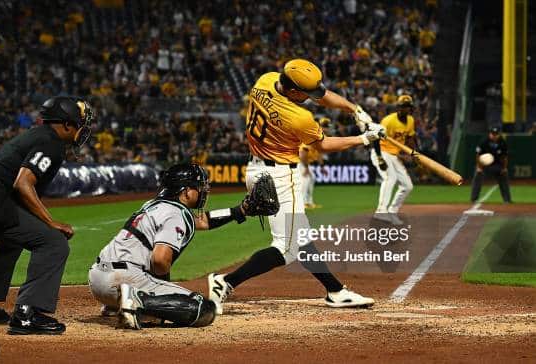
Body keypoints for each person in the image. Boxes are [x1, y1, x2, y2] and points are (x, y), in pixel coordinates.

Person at [207, 59, 385, 314]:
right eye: (306, 93)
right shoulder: (299, 118)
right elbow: (323, 146)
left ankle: (335, 290)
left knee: (301, 238)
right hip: (280, 176)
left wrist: (354, 110)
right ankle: (226, 281)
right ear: (292, 91)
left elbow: (322, 95)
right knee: (286, 247)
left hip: (256, 169)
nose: (312, 97)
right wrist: (364, 138)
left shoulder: (265, 80)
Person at [0, 96, 94, 335]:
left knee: (10, 240)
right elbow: (23, 184)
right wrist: (51, 222)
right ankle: (28, 313)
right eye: (79, 124)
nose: (82, 129)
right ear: (66, 125)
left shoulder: (38, 135)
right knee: (53, 243)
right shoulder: (52, 142)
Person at [88, 163, 275, 329]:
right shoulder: (175, 214)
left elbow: (201, 221)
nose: (204, 191)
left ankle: (117, 304)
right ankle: (138, 300)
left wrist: (239, 211)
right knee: (204, 308)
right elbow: (160, 261)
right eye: (199, 187)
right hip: (125, 279)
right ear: (186, 192)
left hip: (98, 279)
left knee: (160, 290)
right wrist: (162, 288)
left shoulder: (155, 205)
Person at [371, 95, 416, 225]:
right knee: (390, 178)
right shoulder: (388, 121)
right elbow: (375, 139)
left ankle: (392, 211)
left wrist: (413, 153)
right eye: (403, 106)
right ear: (398, 108)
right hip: (381, 152)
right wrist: (379, 158)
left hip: (394, 155)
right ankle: (381, 211)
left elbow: (410, 138)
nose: (406, 109)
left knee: (408, 186)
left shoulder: (411, 121)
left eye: (408, 107)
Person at [470, 126, 512, 203]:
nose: (494, 136)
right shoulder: (484, 141)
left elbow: (505, 157)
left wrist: (504, 168)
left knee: (504, 175)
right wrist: (479, 167)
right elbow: (478, 155)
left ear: (499, 134)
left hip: (497, 165)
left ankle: (507, 200)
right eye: (492, 134)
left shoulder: (502, 142)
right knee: (478, 175)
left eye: (496, 134)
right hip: (485, 166)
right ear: (490, 134)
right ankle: (474, 199)